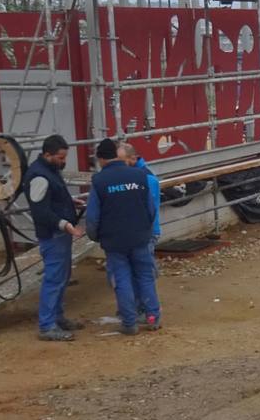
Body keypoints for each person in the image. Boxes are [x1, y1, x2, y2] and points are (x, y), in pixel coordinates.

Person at [85, 138, 161, 335]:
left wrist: (95, 236)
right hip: (140, 236)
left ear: (101, 159)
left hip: (114, 240)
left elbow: (92, 217)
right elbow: (151, 209)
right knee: (145, 277)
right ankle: (152, 317)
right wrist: (145, 229)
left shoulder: (99, 181)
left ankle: (129, 322)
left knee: (122, 279)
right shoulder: (139, 175)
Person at [26, 134, 86, 342]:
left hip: (58, 234)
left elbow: (51, 198)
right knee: (54, 279)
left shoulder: (49, 170)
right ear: (47, 154)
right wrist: (65, 224)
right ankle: (47, 325)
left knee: (61, 277)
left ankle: (57, 318)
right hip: (53, 235)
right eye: (60, 157)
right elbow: (41, 211)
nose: (63, 161)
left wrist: (69, 201)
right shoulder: (39, 176)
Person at [118, 141, 163, 327]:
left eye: (122, 161)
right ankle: (142, 308)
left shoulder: (145, 179)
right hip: (143, 231)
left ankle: (145, 309)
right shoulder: (143, 175)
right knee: (141, 271)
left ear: (132, 158)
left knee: (142, 273)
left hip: (145, 232)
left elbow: (148, 209)